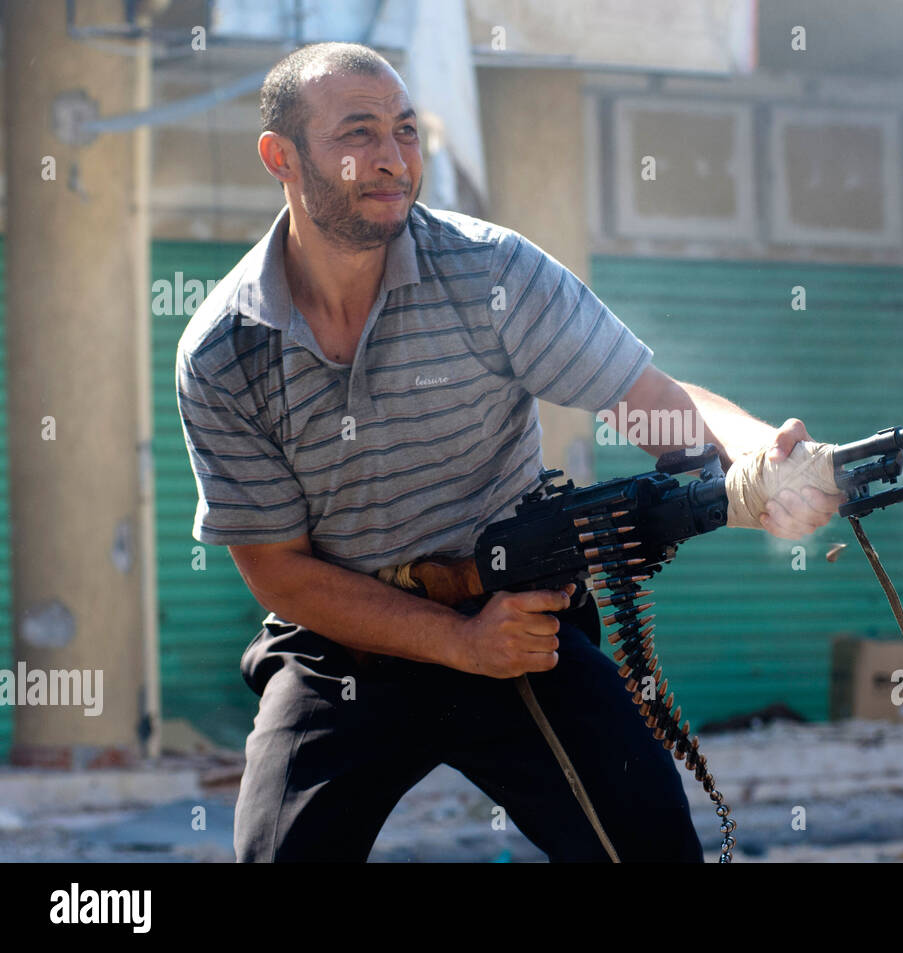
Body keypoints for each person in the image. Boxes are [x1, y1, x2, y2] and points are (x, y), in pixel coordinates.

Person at [176, 42, 842, 863]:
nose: (393, 158)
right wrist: (454, 642)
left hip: (517, 620)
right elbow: (277, 569)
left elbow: (651, 402)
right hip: (339, 645)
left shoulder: (491, 272)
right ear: (282, 157)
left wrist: (761, 460)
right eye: (360, 132)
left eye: (407, 131)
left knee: (652, 848)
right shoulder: (224, 350)